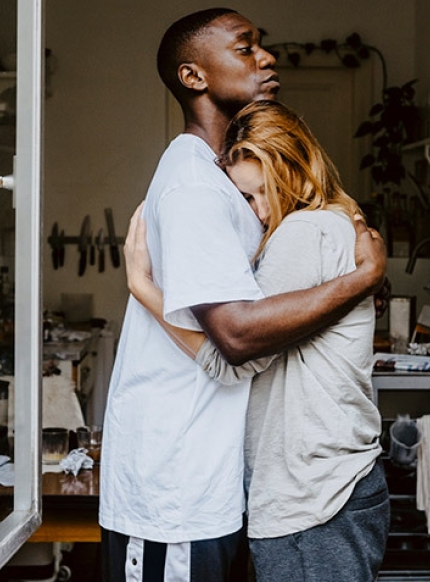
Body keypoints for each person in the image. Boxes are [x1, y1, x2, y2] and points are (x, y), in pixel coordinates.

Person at [98, 8, 387, 582]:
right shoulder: (194, 184)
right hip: (175, 487)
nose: (267, 57)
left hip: (227, 483)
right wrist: (361, 278)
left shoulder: (231, 181)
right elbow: (235, 335)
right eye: (245, 47)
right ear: (194, 77)